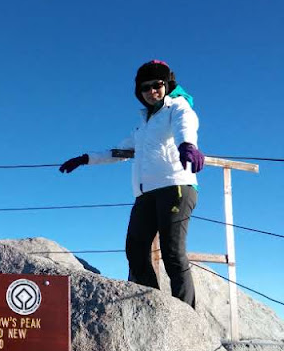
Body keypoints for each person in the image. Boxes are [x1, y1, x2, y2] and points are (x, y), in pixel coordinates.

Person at [59, 60, 204, 308]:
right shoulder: (144, 125)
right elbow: (119, 151)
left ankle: (186, 315)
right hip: (145, 194)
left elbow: (185, 125)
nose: (151, 92)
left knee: (172, 253)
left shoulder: (177, 107)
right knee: (135, 250)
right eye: (145, 88)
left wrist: (187, 145)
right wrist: (86, 158)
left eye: (157, 85)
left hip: (175, 187)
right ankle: (153, 305)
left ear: (167, 84)